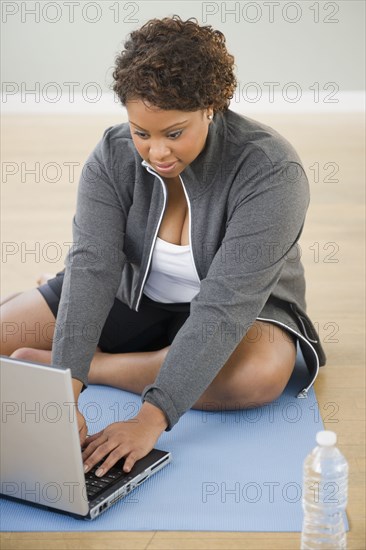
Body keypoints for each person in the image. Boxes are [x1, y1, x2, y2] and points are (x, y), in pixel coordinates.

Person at [1, 16, 326, 478]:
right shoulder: (112, 154)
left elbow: (224, 307)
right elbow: (92, 268)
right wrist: (63, 393)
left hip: (239, 309)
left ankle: (103, 365)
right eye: (141, 132)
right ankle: (86, 354)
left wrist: (149, 419)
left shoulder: (271, 170)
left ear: (211, 107)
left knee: (262, 375)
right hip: (134, 295)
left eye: (174, 133)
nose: (156, 152)